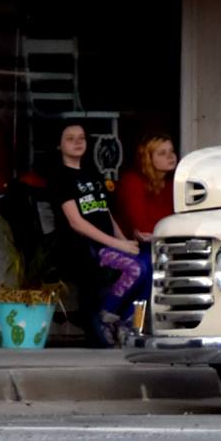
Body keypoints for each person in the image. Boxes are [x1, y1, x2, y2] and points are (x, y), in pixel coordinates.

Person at [45, 122, 145, 346]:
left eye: (81, 137)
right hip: (82, 249)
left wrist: (123, 240)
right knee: (137, 268)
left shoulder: (92, 173)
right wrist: (116, 245)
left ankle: (129, 321)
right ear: (59, 145)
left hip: (107, 245)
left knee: (148, 268)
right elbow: (76, 222)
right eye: (70, 138)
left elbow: (104, 213)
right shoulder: (60, 177)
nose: (77, 142)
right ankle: (107, 314)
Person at [111, 136, 177, 243]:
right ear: (148, 158)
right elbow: (142, 228)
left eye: (171, 151)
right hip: (130, 246)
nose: (171, 156)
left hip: (164, 243)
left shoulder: (173, 182)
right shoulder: (132, 181)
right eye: (162, 153)